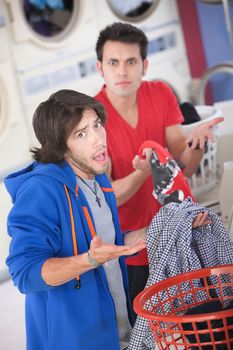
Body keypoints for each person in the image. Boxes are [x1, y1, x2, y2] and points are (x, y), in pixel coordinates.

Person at [4, 89, 146, 350]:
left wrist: (163, 227)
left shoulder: (96, 175)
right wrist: (90, 260)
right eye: (81, 134)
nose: (98, 140)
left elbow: (105, 243)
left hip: (117, 334)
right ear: (61, 147)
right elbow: (24, 273)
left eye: (97, 125)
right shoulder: (42, 191)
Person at [94, 22, 224, 305]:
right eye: (113, 62)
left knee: (205, 321)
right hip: (133, 249)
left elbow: (183, 165)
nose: (122, 71)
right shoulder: (93, 119)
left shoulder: (161, 94)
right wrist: (142, 175)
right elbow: (106, 199)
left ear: (145, 65)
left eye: (131, 61)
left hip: (178, 233)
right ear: (99, 67)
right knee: (152, 335)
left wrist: (198, 144)